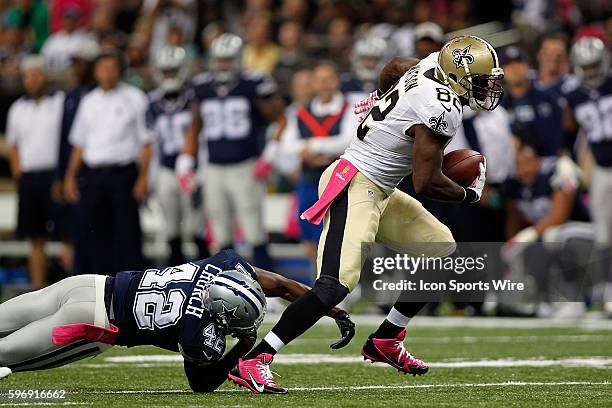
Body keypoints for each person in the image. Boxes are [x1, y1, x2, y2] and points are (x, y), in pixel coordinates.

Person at [229, 36, 504, 394]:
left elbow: (396, 67)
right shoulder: (442, 106)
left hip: (380, 189)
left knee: (441, 251)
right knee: (333, 287)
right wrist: (469, 194)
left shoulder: (434, 62)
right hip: (355, 183)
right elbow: (426, 182)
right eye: (481, 81)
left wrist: (388, 99)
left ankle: (386, 339)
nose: (486, 88)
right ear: (458, 77)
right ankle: (254, 359)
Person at [0, 248, 356, 387]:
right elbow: (202, 384)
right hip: (91, 325)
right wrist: (244, 348)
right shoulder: (198, 333)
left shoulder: (224, 265)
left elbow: (279, 284)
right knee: (5, 356)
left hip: (88, 285)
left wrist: (332, 308)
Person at [178, 34, 283, 270]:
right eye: (220, 60)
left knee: (254, 228)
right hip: (214, 167)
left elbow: (280, 118)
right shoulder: (201, 86)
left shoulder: (254, 82)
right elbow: (195, 126)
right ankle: (224, 286)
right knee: (219, 230)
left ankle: (270, 290)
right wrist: (185, 161)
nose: (224, 65)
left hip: (245, 165)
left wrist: (270, 154)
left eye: (228, 60)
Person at [64, 51, 152, 276]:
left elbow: (147, 142)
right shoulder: (88, 101)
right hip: (93, 175)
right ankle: (97, 285)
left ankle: (129, 285)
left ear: (120, 71)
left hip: (123, 173)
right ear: (95, 72)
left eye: (112, 68)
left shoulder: (135, 98)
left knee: (126, 232)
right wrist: (70, 176)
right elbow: (79, 143)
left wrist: (143, 178)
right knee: (92, 232)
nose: (107, 73)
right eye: (102, 68)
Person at [278, 62, 357, 269]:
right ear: (312, 84)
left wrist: (311, 146)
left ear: (336, 82)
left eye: (328, 79)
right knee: (309, 233)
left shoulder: (349, 108)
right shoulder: (299, 112)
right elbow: (286, 144)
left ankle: (345, 277)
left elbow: (348, 139)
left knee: (342, 230)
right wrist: (316, 152)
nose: (323, 85)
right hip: (310, 178)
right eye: (318, 80)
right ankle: (318, 276)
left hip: (341, 180)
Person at [501, 144, 591, 318]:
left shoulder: (558, 170)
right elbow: (513, 221)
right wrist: (514, 245)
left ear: (537, 161)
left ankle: (573, 300)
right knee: (527, 249)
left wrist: (528, 235)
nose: (523, 169)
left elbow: (559, 216)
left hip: (582, 231)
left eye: (527, 162)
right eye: (518, 163)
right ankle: (542, 300)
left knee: (554, 236)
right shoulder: (513, 183)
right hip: (547, 235)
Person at [147, 45, 209, 266]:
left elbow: (202, 139)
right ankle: (176, 278)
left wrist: (200, 173)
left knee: (195, 227)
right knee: (171, 227)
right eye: (165, 71)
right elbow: (152, 144)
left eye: (173, 71)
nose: (169, 76)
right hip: (165, 169)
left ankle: (207, 277)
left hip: (192, 169)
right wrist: (150, 180)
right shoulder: (153, 102)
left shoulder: (195, 99)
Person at [6, 55, 64, 289]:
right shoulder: (17, 109)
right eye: (28, 76)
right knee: (35, 238)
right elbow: (13, 145)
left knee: (67, 235)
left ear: (45, 76)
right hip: (30, 177)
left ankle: (74, 291)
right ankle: (38, 292)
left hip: (56, 176)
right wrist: (19, 173)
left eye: (37, 74)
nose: (33, 79)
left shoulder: (60, 102)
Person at [564, 37, 612, 317]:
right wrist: (564, 157)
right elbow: (568, 130)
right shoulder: (575, 95)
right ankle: (608, 291)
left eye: (595, 65)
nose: (592, 71)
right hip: (602, 170)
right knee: (605, 234)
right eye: (586, 66)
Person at [501, 46, 564, 171]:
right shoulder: (499, 105)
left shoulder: (548, 96)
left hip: (552, 162)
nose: (515, 69)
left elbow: (564, 130)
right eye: (509, 65)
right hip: (518, 169)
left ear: (528, 66)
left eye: (519, 63)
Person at [341, 35, 387, 105]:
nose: (369, 64)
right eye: (366, 59)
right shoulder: (347, 82)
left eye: (374, 59)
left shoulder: (388, 84)